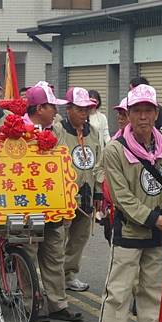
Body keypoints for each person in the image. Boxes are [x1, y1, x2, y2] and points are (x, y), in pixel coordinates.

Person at [94, 84, 162, 322]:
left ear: (156, 112)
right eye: (137, 111)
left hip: (160, 231)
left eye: (149, 110)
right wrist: (154, 219)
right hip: (129, 231)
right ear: (128, 113)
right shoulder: (114, 150)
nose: (143, 116)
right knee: (118, 294)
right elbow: (121, 197)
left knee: (151, 295)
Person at [22, 83, 83, 322]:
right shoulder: (16, 130)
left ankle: (58, 303)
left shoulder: (54, 130)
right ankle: (30, 303)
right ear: (39, 108)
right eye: (51, 107)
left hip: (52, 203)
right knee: (28, 252)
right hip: (26, 204)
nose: (56, 112)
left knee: (55, 254)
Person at [54, 86, 103, 292]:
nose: (84, 113)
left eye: (87, 109)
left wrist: (98, 191)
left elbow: (99, 161)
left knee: (79, 238)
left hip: (87, 193)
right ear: (69, 109)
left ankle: (69, 274)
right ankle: (54, 278)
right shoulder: (58, 130)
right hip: (63, 194)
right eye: (79, 109)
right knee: (58, 239)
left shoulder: (93, 131)